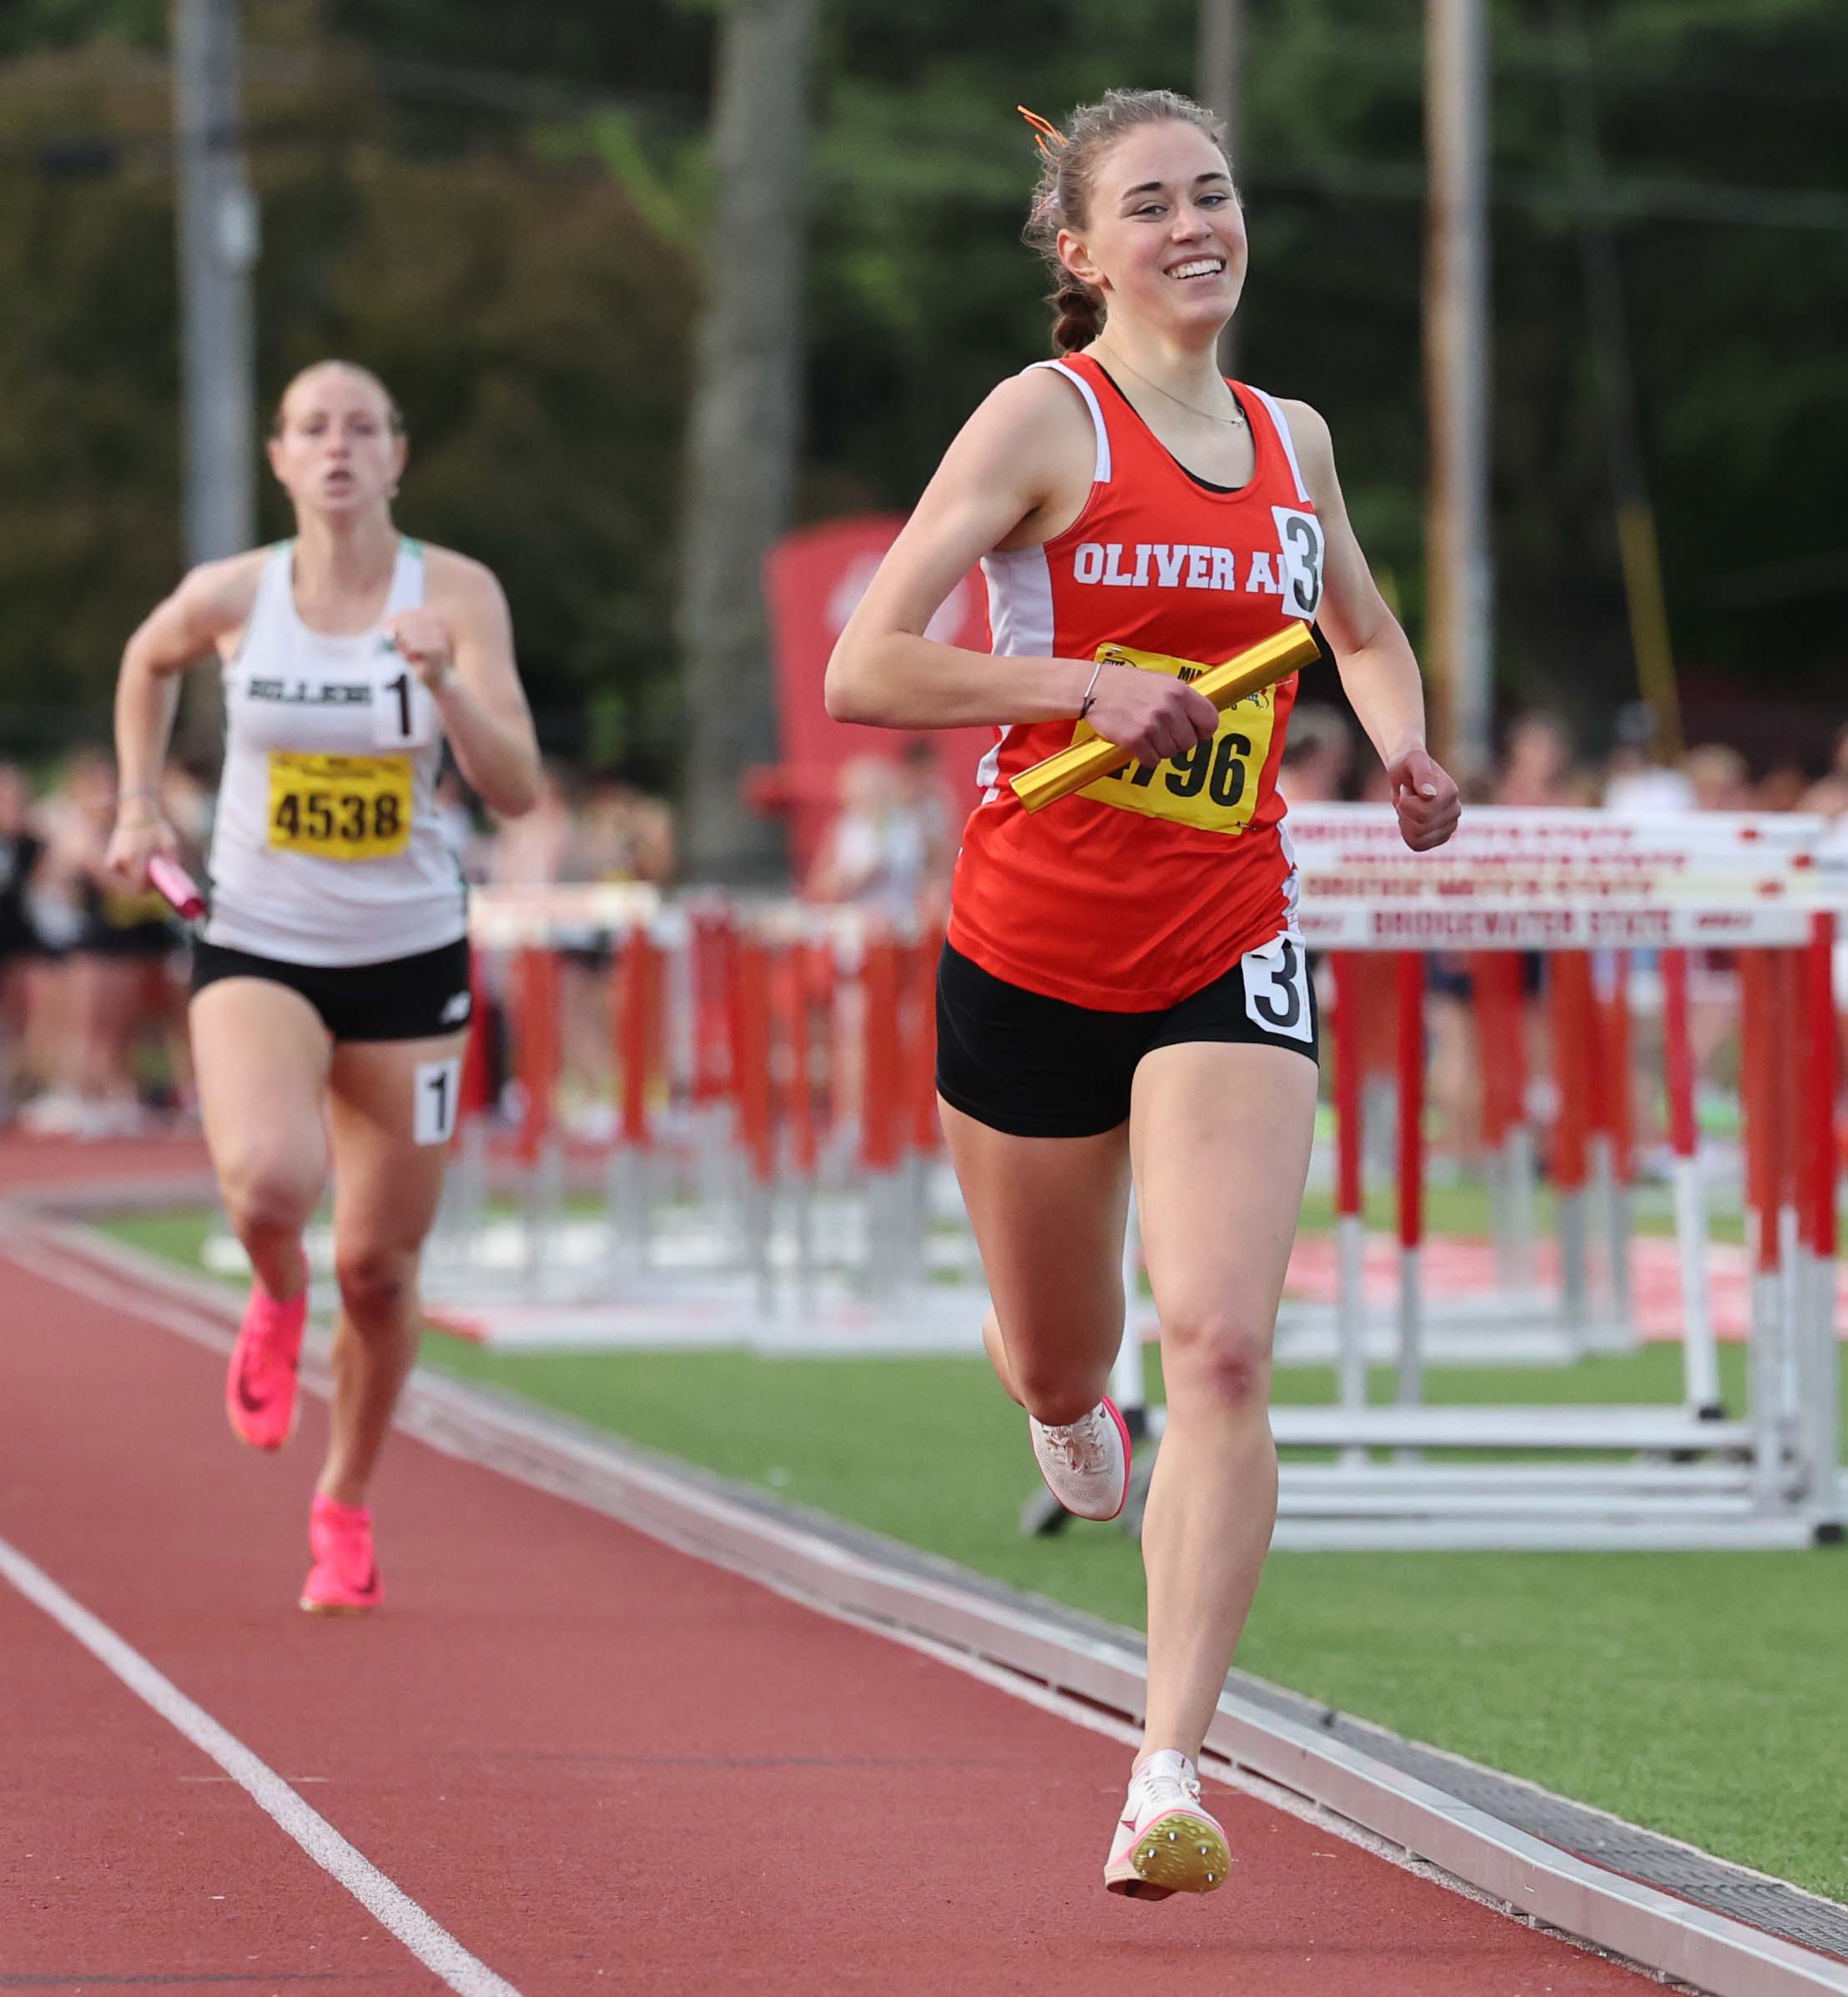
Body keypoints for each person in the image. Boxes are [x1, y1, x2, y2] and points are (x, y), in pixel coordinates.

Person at [825, 89, 1459, 1899]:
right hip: (1026, 954)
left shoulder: (1292, 439)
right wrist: (1072, 688)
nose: (1197, 224)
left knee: (1228, 1345)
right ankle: (1050, 1394)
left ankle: (1164, 1771)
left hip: (1223, 938)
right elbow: (872, 663)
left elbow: (1362, 629)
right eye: (1151, 203)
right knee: (1068, 1367)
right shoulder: (1045, 419)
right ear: (1080, 252)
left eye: (1216, 192)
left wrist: (1404, 751)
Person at [106, 360, 540, 1613]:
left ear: (398, 456)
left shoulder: (454, 591)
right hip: (261, 939)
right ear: (280, 457)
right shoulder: (238, 593)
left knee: (384, 1269)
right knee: (271, 1182)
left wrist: (447, 679)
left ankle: (344, 1500)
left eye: (362, 427)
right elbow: (147, 660)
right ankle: (274, 1290)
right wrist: (140, 800)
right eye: (312, 427)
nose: (338, 446)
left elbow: (512, 788)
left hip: (410, 960)